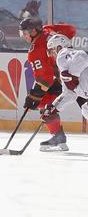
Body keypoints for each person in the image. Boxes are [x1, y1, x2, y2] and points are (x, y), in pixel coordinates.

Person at [19, 16, 77, 152]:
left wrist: (34, 96)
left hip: (66, 78)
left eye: (25, 33)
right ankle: (58, 136)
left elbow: (45, 79)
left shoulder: (35, 51)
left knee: (44, 104)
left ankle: (58, 136)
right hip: (73, 71)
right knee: (45, 104)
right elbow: (71, 30)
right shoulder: (47, 30)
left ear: (33, 31)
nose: (24, 36)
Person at [47, 32, 88, 126]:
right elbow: (69, 94)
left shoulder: (63, 54)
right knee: (86, 110)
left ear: (58, 47)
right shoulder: (65, 65)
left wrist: (73, 75)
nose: (50, 55)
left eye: (51, 50)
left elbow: (83, 55)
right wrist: (54, 107)